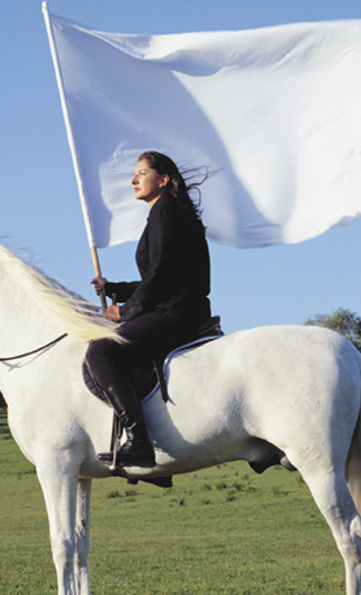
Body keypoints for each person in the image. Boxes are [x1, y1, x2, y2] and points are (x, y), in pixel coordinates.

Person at [87, 151, 212, 469]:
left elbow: (158, 278)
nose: (133, 180)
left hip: (177, 312)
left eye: (141, 173)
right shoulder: (166, 212)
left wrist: (126, 312)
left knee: (101, 352)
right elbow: (161, 275)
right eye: (135, 174)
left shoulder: (165, 213)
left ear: (164, 179)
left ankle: (139, 441)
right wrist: (115, 288)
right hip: (178, 305)